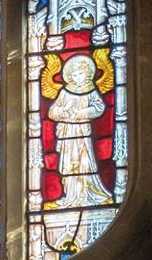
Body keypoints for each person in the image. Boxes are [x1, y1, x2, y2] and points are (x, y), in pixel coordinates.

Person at [46, 54, 114, 208]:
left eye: (81, 73)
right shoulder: (64, 92)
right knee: (68, 165)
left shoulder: (91, 91)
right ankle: (71, 196)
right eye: (75, 75)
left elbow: (99, 107)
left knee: (84, 162)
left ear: (88, 74)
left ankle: (85, 194)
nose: (78, 77)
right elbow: (52, 112)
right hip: (67, 133)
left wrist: (82, 112)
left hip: (82, 133)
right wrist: (63, 111)